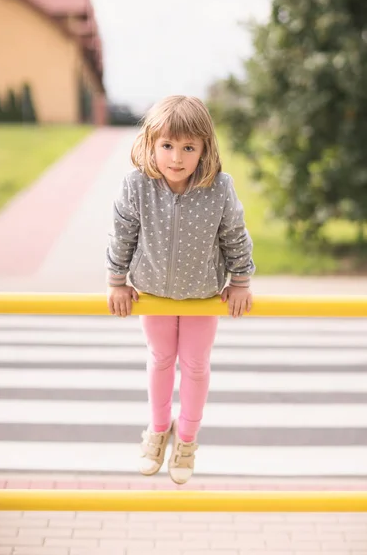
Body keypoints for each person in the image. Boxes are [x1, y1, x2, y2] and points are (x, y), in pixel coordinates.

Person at [106, 95, 255, 484]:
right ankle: (158, 429)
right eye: (168, 146)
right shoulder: (138, 185)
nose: (177, 157)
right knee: (159, 358)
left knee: (194, 364)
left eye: (189, 147)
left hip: (203, 296)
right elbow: (123, 234)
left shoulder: (219, 188)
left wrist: (240, 281)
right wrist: (116, 281)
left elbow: (235, 236)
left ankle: (186, 438)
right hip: (153, 293)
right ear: (151, 144)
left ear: (204, 148)